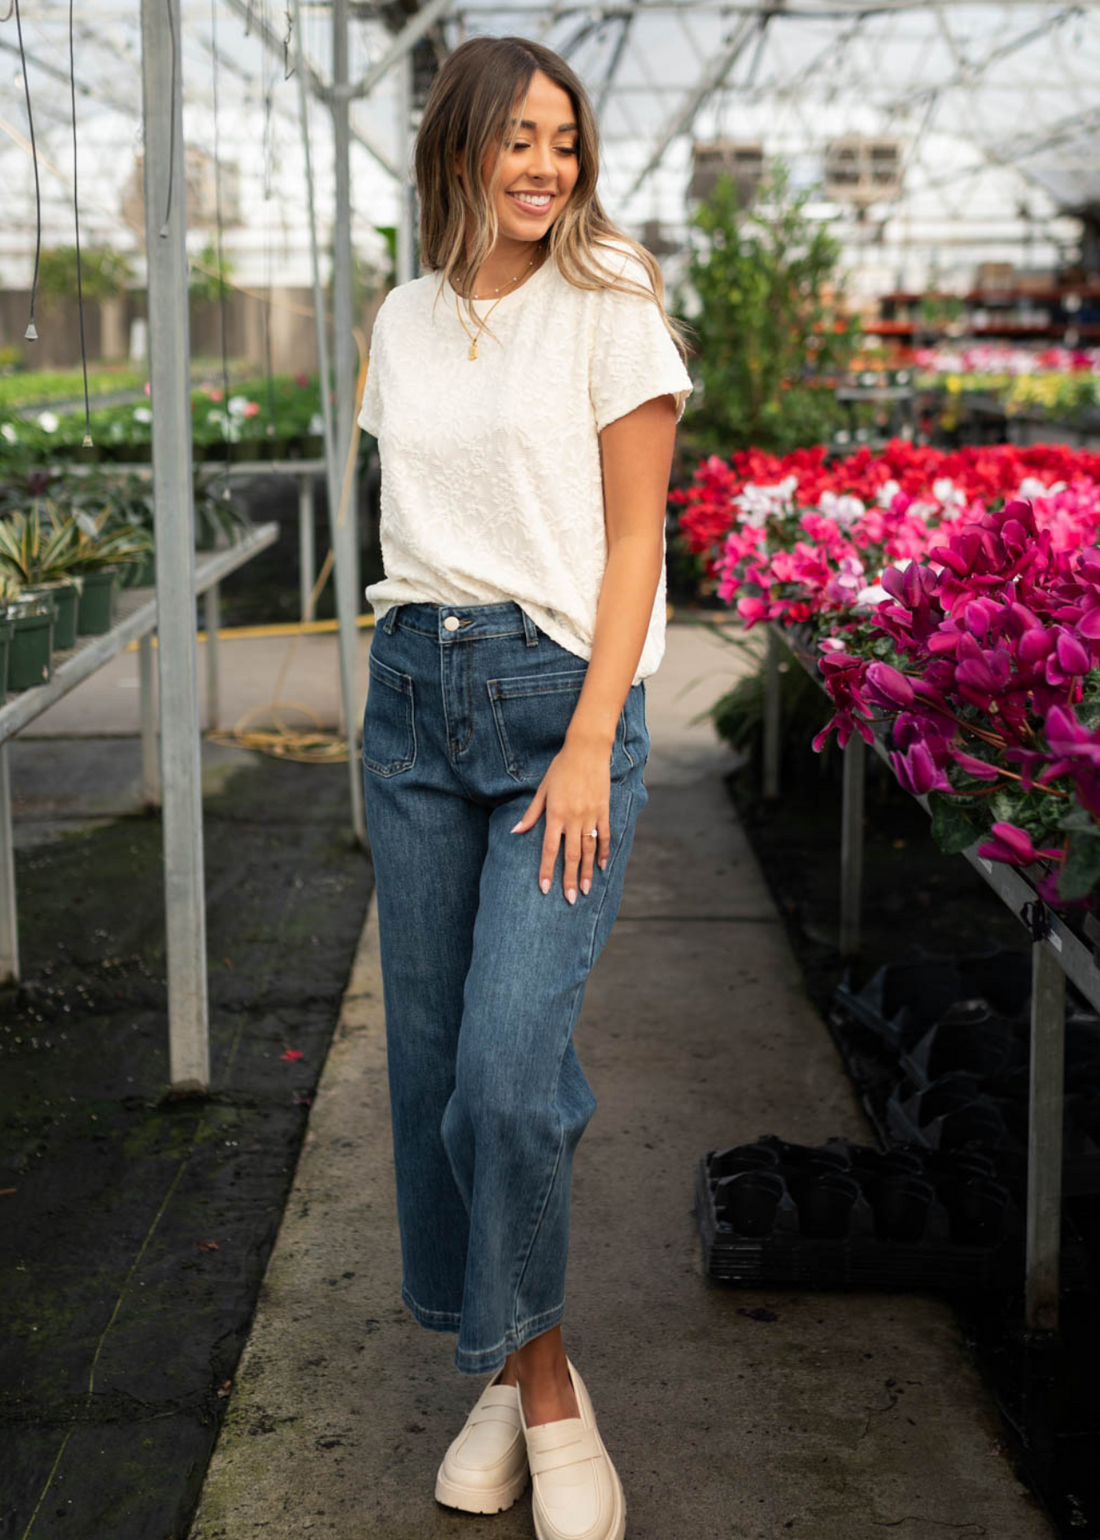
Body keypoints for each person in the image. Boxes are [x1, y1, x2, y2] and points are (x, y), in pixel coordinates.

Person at [357, 33, 693, 1540]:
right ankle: (511, 1367)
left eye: (565, 139)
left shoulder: (610, 301)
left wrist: (585, 746)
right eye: (519, 140)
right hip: (412, 709)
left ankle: (541, 1392)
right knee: (430, 1075)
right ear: (459, 150)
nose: (547, 166)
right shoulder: (405, 320)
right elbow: (418, 527)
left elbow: (635, 544)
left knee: (507, 1073)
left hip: (560, 704)